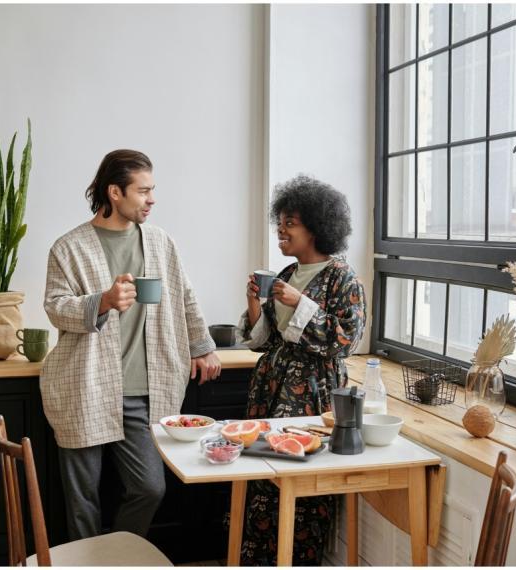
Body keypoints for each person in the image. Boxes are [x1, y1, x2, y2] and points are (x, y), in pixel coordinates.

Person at [41, 149, 222, 540]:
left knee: (150, 487)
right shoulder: (69, 247)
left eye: (152, 190)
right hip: (85, 387)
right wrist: (102, 301)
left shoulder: (160, 243)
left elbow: (184, 295)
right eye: (143, 191)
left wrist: (202, 346)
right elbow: (55, 308)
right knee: (82, 499)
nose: (152, 199)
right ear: (115, 193)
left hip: (144, 391)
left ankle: (116, 558)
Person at [238, 175, 367, 565]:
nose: (281, 228)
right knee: (263, 477)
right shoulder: (284, 275)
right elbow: (267, 339)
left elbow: (346, 342)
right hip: (271, 388)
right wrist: (256, 306)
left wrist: (300, 303)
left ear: (317, 227)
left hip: (312, 392)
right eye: (280, 220)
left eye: (290, 222)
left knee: (303, 485)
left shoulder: (344, 279)